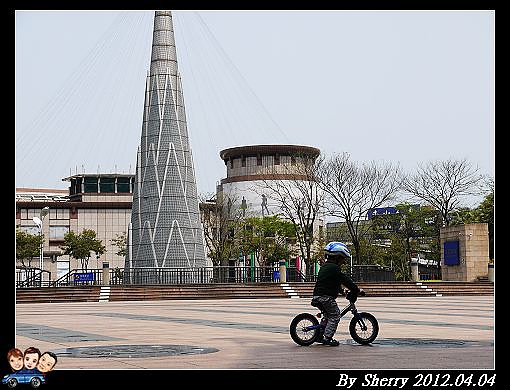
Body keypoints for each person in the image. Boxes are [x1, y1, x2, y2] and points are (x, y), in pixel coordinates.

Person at [311, 241, 360, 346]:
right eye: (342, 259)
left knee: (328, 316)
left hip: (318, 296)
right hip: (325, 297)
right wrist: (356, 289)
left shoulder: (325, 267)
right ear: (337, 257)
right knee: (335, 315)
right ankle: (327, 337)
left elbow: (334, 282)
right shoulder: (334, 268)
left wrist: (342, 291)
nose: (343, 262)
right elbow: (345, 280)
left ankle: (319, 335)